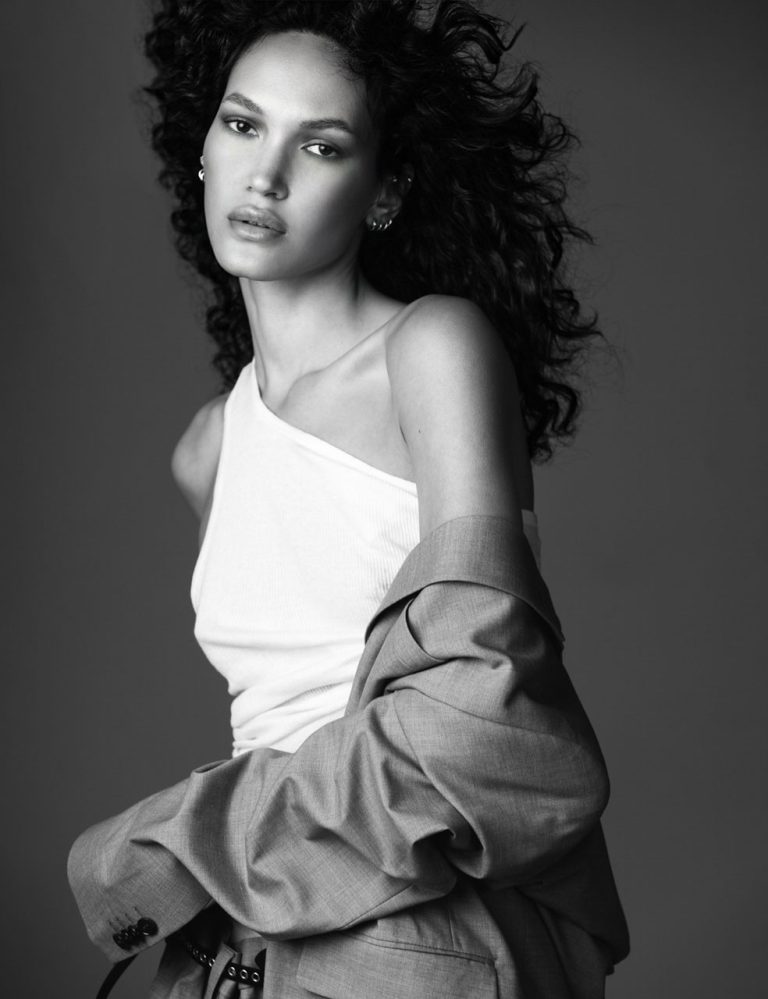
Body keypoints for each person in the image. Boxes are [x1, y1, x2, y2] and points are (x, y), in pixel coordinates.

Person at [68, 2, 629, 997]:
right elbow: (277, 721)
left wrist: (176, 841)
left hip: (413, 920)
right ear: (201, 148)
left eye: (320, 146)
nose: (266, 175)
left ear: (385, 192)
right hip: (256, 929)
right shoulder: (207, 447)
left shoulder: (430, 350)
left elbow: (488, 710)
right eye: (243, 125)